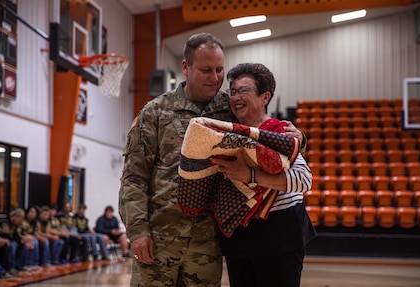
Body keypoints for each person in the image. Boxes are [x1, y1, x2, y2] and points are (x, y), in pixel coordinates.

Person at [119, 33, 305, 287]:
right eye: (206, 70)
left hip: (208, 242)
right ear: (186, 67)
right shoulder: (156, 112)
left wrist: (299, 137)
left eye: (219, 70)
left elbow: (265, 131)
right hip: (161, 237)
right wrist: (138, 232)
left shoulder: (232, 108)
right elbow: (134, 177)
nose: (215, 77)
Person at [209, 63, 316, 287]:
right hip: (239, 236)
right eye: (233, 91)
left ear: (265, 97)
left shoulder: (281, 131)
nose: (236, 97)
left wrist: (251, 175)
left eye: (243, 90)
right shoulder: (227, 133)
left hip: (280, 234)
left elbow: (304, 181)